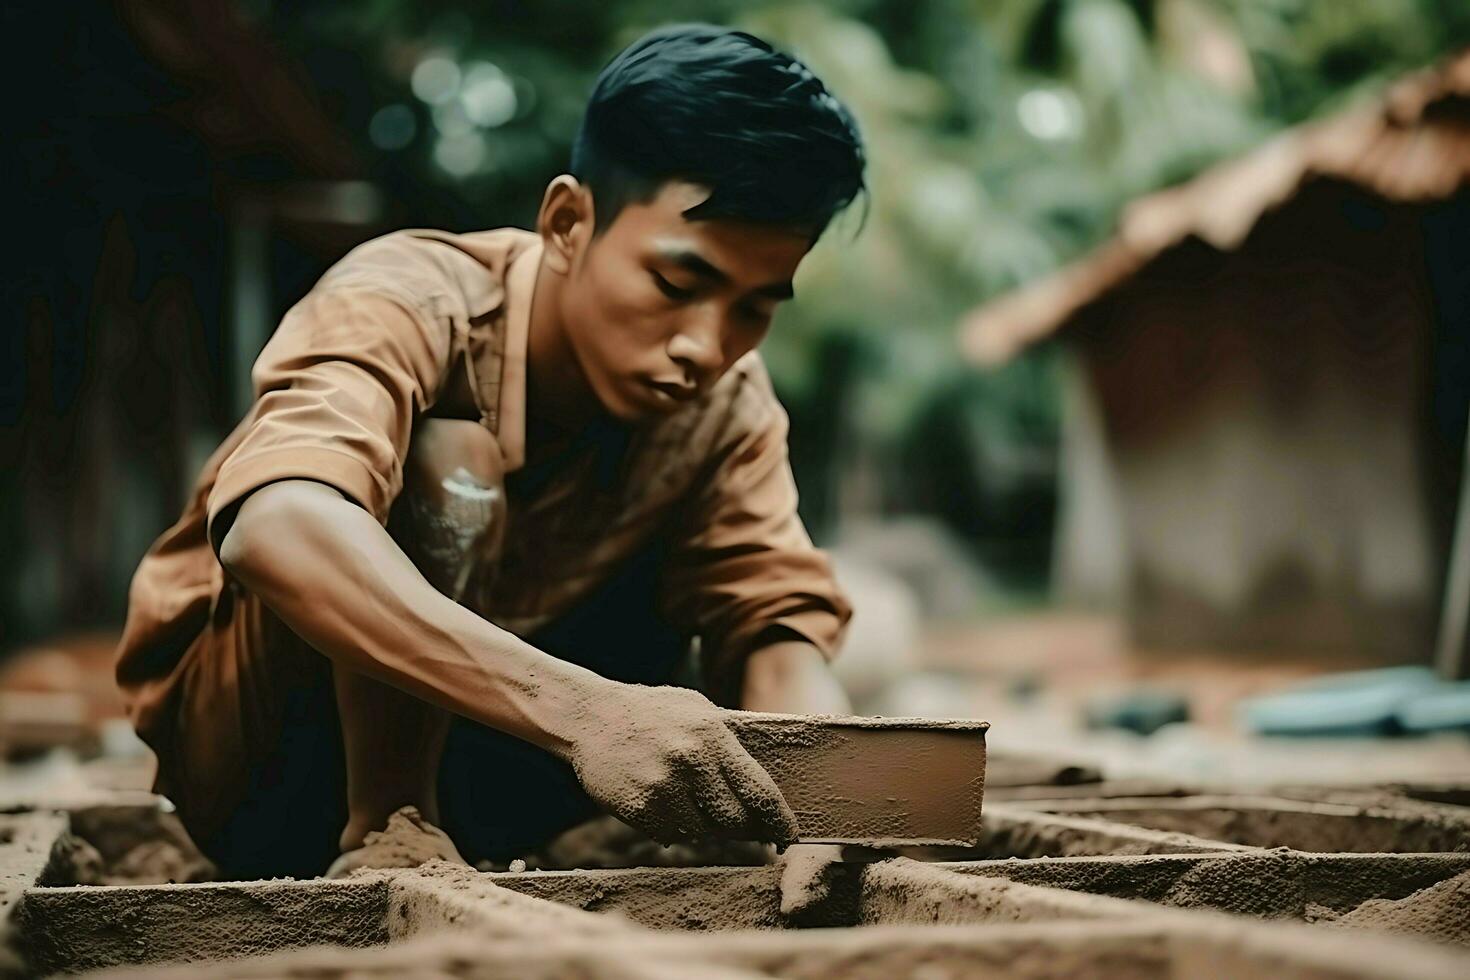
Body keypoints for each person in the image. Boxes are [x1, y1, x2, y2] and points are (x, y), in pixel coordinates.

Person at [116, 23, 864, 883]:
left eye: (756, 306)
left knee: (726, 588)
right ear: (569, 222)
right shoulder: (408, 297)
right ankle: (388, 830)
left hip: (510, 783)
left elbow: (772, 620)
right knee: (452, 456)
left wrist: (831, 806)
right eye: (678, 284)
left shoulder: (727, 403)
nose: (708, 343)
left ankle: (485, 825)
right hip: (265, 777)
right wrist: (589, 715)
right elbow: (276, 523)